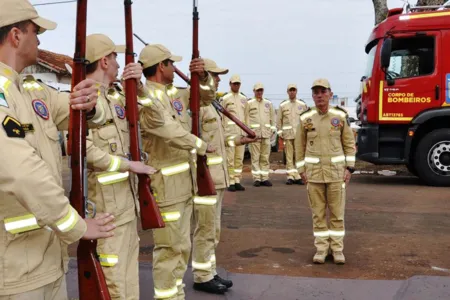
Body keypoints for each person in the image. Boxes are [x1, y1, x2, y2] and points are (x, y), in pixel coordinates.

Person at [0, 1, 115, 298]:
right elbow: (22, 172)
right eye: (35, 32)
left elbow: (86, 113)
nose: (39, 40)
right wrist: (76, 226)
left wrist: (91, 105)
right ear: (16, 35)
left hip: (47, 258)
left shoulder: (31, 91)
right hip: (13, 269)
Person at [137, 43, 216, 300]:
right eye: (172, 63)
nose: (175, 68)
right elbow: (167, 130)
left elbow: (206, 97)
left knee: (181, 246)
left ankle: (176, 294)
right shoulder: (145, 97)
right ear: (162, 66)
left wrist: (202, 75)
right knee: (170, 248)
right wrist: (201, 145)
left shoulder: (174, 94)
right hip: (166, 187)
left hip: (184, 183)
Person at [82, 33, 157, 300]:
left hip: (126, 205)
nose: (118, 63)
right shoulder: (85, 98)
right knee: (113, 280)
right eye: (115, 57)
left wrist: (140, 86)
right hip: (106, 211)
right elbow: (82, 149)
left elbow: (155, 118)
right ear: (104, 61)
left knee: (128, 277)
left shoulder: (116, 98)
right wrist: (126, 165)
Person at [192, 58, 257, 294]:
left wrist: (240, 140)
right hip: (205, 178)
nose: (218, 79)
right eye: (215, 75)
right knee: (206, 229)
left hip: (218, 178)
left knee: (213, 229)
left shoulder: (212, 106)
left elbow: (218, 142)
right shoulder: (197, 106)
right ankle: (201, 275)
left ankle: (209, 271)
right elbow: (193, 143)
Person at [294, 78, 356, 265]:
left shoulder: (340, 116)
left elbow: (349, 144)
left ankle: (337, 249)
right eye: (316, 92)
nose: (319, 96)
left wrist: (350, 168)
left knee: (337, 214)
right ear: (312, 96)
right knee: (318, 214)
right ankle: (321, 248)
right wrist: (301, 170)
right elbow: (299, 146)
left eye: (323, 92)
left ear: (330, 93)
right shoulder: (306, 118)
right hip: (313, 175)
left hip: (336, 174)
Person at [220, 74, 248, 192]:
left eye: (238, 83)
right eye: (234, 83)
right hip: (229, 133)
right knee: (230, 159)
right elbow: (220, 116)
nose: (236, 85)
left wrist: (247, 131)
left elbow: (246, 116)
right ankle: (230, 181)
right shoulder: (225, 98)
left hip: (241, 133)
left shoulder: (244, 98)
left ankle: (237, 180)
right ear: (230, 84)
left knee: (239, 158)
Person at [245, 83, 276, 187]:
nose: (259, 92)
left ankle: (265, 178)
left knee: (265, 157)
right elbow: (246, 119)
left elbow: (273, 118)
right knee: (255, 157)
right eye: (257, 90)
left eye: (261, 90)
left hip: (266, 134)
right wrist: (248, 132)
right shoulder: (249, 103)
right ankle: (257, 179)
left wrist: (272, 130)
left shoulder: (268, 103)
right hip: (254, 135)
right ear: (254, 91)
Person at [277, 84, 307, 185]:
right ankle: (290, 176)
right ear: (287, 92)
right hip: (288, 135)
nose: (292, 92)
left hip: (299, 135)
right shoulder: (283, 105)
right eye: (290, 90)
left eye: (294, 90)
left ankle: (298, 175)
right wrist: (280, 133)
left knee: (298, 156)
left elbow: (306, 120)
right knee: (289, 156)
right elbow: (279, 120)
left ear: (296, 91)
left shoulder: (302, 105)